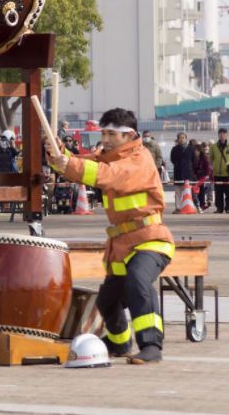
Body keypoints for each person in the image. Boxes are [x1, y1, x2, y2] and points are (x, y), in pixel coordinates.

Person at [47, 107, 173, 364]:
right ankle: (120, 343)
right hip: (121, 245)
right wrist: (59, 153)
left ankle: (151, 345)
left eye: (110, 134)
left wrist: (69, 164)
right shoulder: (108, 157)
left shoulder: (140, 159)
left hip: (150, 238)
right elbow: (83, 163)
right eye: (103, 133)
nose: (104, 139)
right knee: (106, 301)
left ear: (128, 135)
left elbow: (110, 176)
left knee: (137, 282)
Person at [210, 128, 229, 213]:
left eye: (224, 133)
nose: (222, 135)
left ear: (226, 135)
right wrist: (211, 169)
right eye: (220, 133)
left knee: (228, 193)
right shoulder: (213, 146)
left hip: (227, 173)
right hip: (217, 173)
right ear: (218, 135)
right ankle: (219, 208)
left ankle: (228, 208)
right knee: (218, 193)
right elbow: (210, 159)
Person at [194, 141, 213, 211]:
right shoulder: (194, 158)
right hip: (196, 177)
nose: (196, 152)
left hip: (203, 177)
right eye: (195, 151)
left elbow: (207, 167)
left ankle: (202, 205)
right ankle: (199, 205)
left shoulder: (204, 158)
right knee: (197, 192)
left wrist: (207, 175)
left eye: (197, 151)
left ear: (200, 151)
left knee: (202, 191)